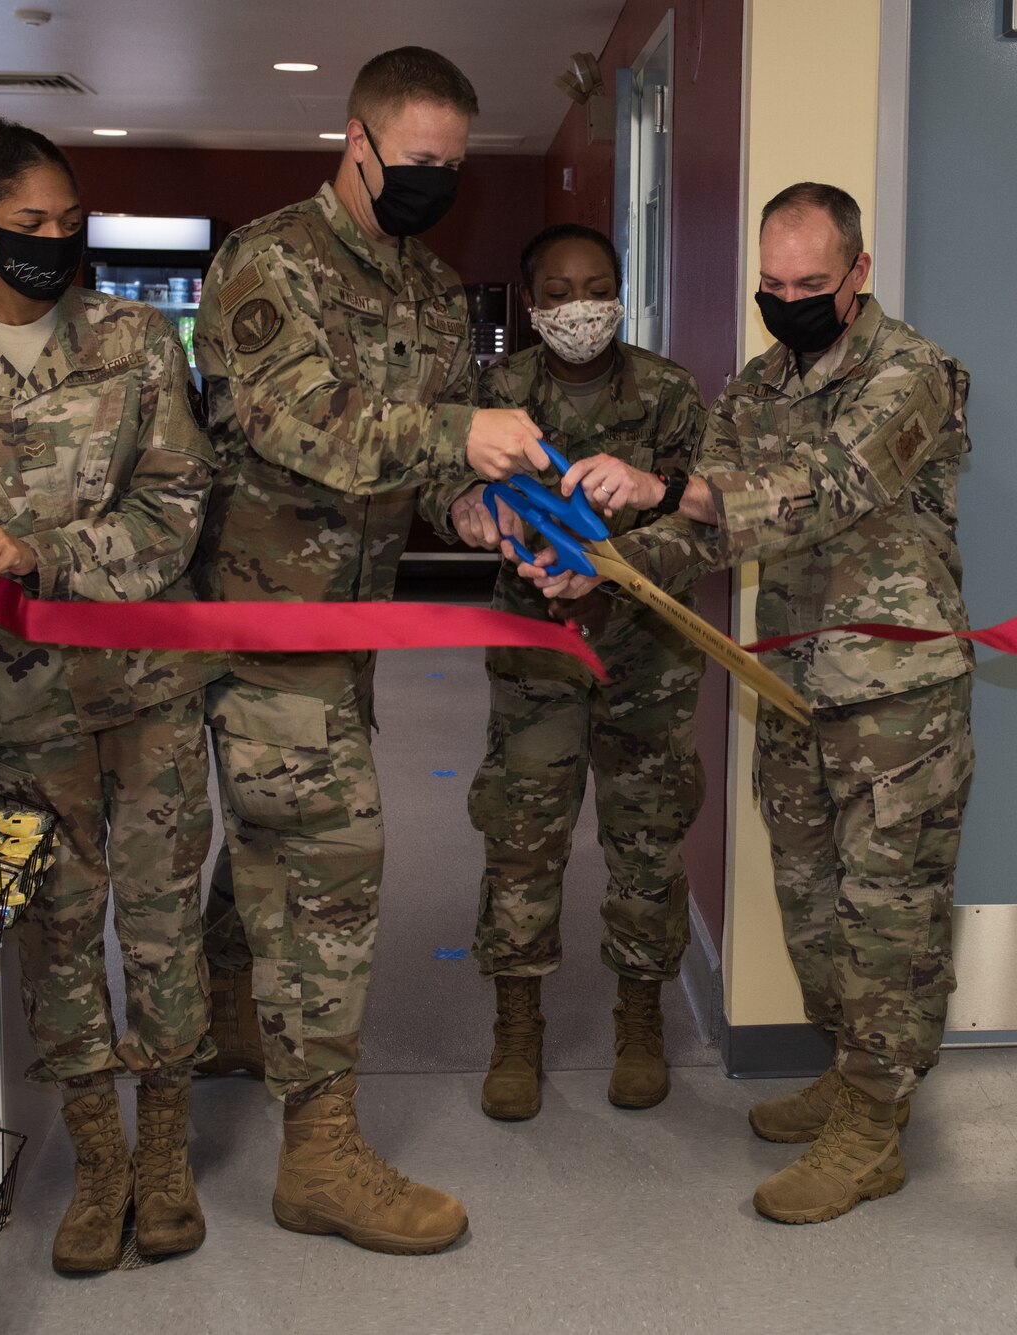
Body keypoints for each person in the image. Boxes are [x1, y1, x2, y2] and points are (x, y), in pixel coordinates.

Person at [523, 183, 974, 1224]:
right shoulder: (758, 385)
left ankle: (875, 1123)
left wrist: (661, 483)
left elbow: (828, 487)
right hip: (787, 681)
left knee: (887, 915)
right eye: (770, 284)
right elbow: (714, 526)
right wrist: (607, 567)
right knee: (812, 903)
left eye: (809, 283)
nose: (787, 300)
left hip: (894, 702)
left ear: (858, 274)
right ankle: (848, 1072)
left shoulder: (913, 375)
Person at [189, 46, 548, 1255]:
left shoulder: (435, 292)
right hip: (262, 621)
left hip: (351, 630)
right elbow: (293, 426)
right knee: (332, 864)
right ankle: (319, 1155)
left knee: (276, 851)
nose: (435, 183)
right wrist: (461, 429)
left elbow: (433, 475)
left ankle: (232, 1010)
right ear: (354, 142)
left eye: (453, 167)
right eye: (415, 163)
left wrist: (476, 510)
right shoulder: (267, 261)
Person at [0, 112, 217, 1274]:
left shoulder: (139, 343)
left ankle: (163, 1150)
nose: (55, 242)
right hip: (25, 712)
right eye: (27, 225)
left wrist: (43, 553)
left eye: (70, 221)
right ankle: (96, 1156)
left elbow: (174, 516)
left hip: (147, 690)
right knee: (56, 940)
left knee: (160, 930)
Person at [429, 223, 708, 1121]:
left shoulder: (668, 391)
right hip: (536, 648)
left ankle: (640, 1019)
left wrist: (624, 553)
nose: (578, 306)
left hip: (648, 652)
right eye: (557, 291)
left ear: (620, 294)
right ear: (532, 303)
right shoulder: (496, 394)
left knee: (647, 836)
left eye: (595, 287)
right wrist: (466, 508)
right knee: (522, 832)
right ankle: (517, 1027)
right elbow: (438, 485)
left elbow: (702, 512)